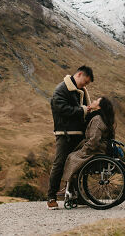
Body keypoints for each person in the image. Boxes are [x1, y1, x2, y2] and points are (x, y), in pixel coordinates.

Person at [47, 66, 95, 209]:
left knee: (77, 164)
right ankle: (51, 197)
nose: (85, 85)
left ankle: (75, 195)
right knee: (59, 164)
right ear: (79, 74)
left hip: (77, 134)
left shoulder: (80, 91)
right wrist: (83, 110)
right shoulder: (61, 90)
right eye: (85, 82)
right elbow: (63, 109)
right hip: (65, 134)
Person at [60, 97, 115, 200]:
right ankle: (71, 187)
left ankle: (68, 188)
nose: (93, 101)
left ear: (99, 107)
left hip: (95, 150)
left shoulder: (97, 119)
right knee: (74, 157)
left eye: (96, 101)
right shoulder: (101, 117)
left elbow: (94, 140)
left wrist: (84, 149)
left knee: (72, 157)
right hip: (101, 148)